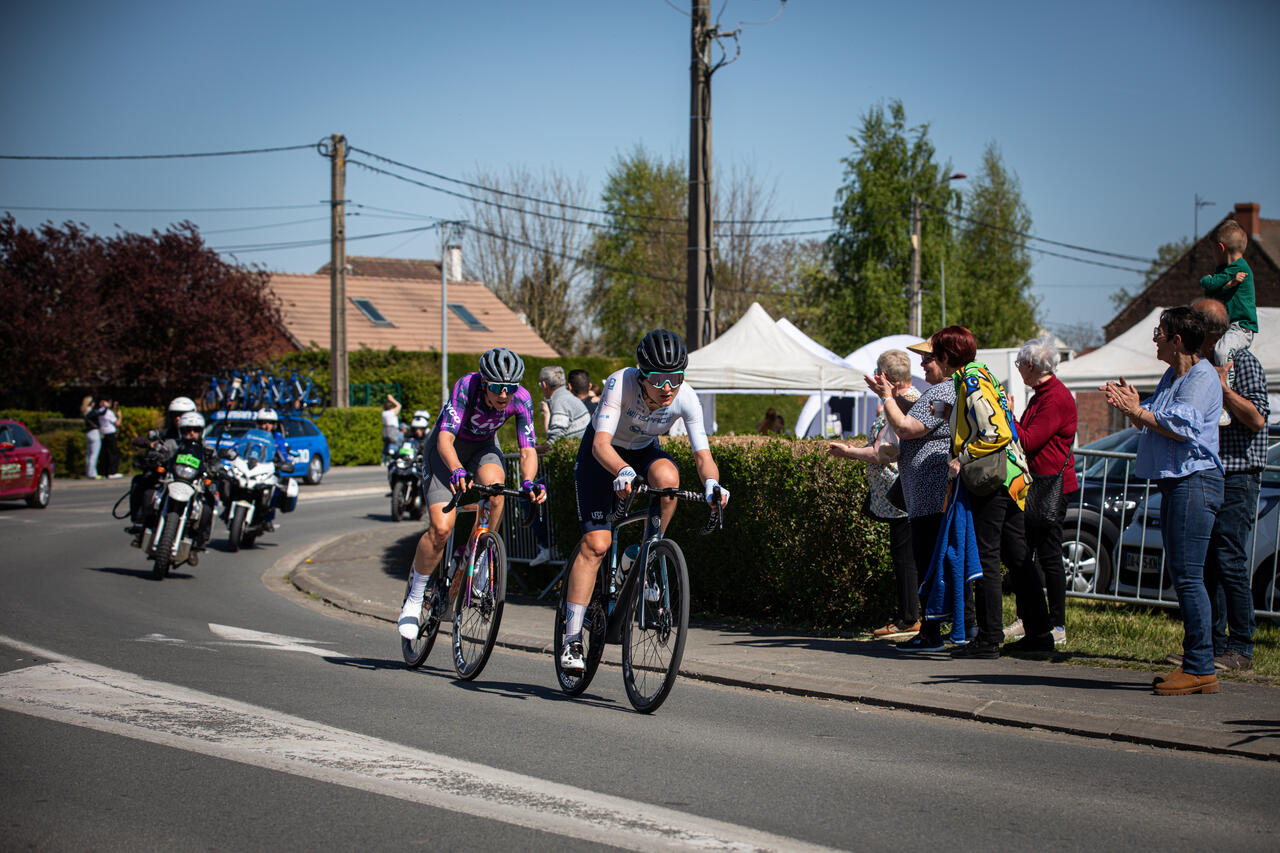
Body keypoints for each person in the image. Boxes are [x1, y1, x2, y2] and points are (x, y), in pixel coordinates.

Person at [558, 329, 729, 673]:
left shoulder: (686, 397)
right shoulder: (620, 384)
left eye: (675, 378)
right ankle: (571, 639)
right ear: (641, 374)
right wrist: (622, 471)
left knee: (668, 479)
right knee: (597, 544)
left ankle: (645, 553)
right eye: (658, 379)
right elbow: (600, 444)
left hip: (642, 451)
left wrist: (712, 483)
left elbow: (703, 456)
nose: (667, 388)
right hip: (601, 455)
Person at [1102, 306, 1224, 695]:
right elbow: (1153, 420)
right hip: (1178, 482)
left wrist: (1138, 410)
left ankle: (1201, 667)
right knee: (1184, 574)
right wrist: (1135, 407)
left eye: (1159, 333)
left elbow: (1182, 426)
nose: (1154, 339)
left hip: (1196, 481)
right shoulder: (1174, 376)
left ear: (1177, 340)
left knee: (1189, 576)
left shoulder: (1201, 376)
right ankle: (1197, 663)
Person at [398, 348, 546, 640]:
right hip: (445, 452)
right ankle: (414, 598)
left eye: (510, 388)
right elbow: (444, 438)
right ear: (485, 382)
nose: (504, 395)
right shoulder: (467, 386)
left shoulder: (522, 399)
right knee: (441, 529)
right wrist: (456, 469)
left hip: (483, 448)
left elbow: (528, 449)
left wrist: (529, 482)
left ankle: (479, 558)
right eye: (497, 387)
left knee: (497, 490)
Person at [916, 327, 1045, 660]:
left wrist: (962, 457)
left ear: (947, 357)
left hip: (993, 479)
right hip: (1013, 477)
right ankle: (1040, 634)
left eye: (935, 355)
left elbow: (995, 432)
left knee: (986, 557)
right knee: (1017, 557)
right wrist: (949, 415)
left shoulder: (970, 381)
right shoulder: (981, 374)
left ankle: (988, 638)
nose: (933, 361)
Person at [866, 337, 961, 651]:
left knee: (928, 563)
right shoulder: (939, 392)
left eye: (928, 359)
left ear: (945, 360)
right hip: (924, 496)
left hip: (930, 495)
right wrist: (888, 396)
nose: (922, 365)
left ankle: (932, 633)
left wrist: (887, 398)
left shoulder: (945, 390)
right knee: (930, 562)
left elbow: (907, 428)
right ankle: (949, 630)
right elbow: (925, 417)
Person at [1193, 298, 1269, 672]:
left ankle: (1241, 647)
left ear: (1206, 330)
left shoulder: (1243, 363)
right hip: (1211, 471)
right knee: (1209, 560)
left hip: (1239, 473)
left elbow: (1257, 419)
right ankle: (1212, 646)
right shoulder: (1200, 364)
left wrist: (1223, 389)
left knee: (1230, 558)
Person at [829, 349, 921, 638]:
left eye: (878, 374)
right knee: (905, 557)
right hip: (899, 495)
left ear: (888, 378)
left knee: (905, 559)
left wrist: (848, 452)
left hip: (901, 497)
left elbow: (883, 452)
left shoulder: (902, 404)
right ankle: (911, 617)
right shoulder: (906, 399)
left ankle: (910, 618)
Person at [1006, 337, 1077, 646]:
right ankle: (1029, 619)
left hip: (1050, 487)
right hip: (1037, 483)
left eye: (1020, 364)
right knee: (1024, 554)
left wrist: (1008, 415)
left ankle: (1056, 624)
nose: (1018, 369)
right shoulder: (1041, 395)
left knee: (1048, 555)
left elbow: (1028, 440)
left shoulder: (1055, 398)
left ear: (1031, 366)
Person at [529, 366, 591, 567]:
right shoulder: (568, 398)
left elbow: (555, 440)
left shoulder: (560, 401)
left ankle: (547, 546)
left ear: (544, 385)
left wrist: (529, 449)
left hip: (573, 466)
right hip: (579, 462)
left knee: (528, 495)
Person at [127, 396, 198, 545]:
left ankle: (199, 537)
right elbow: (156, 446)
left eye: (182, 414)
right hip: (169, 474)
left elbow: (208, 453)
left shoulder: (198, 433)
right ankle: (140, 524)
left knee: (209, 496)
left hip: (190, 477)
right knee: (142, 483)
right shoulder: (166, 434)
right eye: (175, 415)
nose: (178, 418)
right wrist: (151, 450)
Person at [1199, 219, 1257, 372]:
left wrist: (1209, 279)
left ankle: (1225, 383)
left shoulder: (1237, 268)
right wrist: (1228, 285)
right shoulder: (1227, 271)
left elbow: (1207, 284)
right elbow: (1210, 294)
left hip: (1241, 327)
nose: (1213, 255)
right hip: (1229, 327)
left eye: (1213, 250)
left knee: (1222, 352)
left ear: (1221, 247)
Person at [98, 398, 122, 478]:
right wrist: (119, 416)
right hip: (110, 433)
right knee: (113, 453)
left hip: (103, 433)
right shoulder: (108, 412)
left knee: (104, 453)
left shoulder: (99, 411)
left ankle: (103, 472)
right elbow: (117, 423)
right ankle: (112, 472)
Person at [82, 396, 102, 479]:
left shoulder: (85, 411)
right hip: (94, 433)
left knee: (89, 454)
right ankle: (92, 473)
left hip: (88, 433)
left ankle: (88, 472)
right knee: (94, 454)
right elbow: (100, 413)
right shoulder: (92, 412)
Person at [381, 394, 402, 463]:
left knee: (386, 445)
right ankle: (392, 460)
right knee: (393, 444)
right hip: (393, 429)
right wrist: (392, 399)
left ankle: (383, 461)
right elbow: (399, 405)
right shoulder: (392, 412)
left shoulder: (383, 413)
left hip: (385, 429)